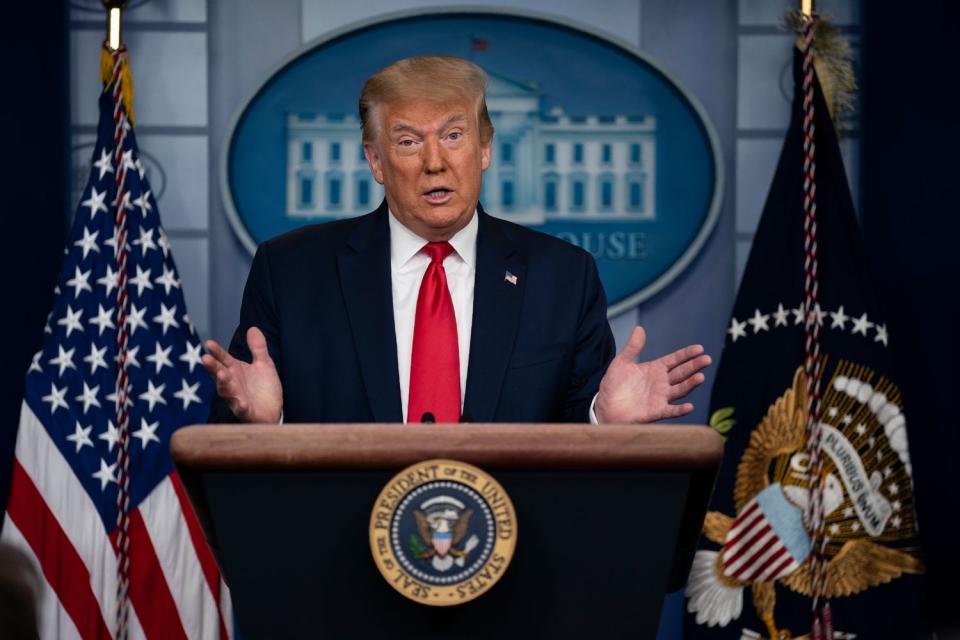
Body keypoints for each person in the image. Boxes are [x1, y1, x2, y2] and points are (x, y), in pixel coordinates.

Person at [203, 55, 710, 425]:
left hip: (514, 556)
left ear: (485, 148)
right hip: (343, 555)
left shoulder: (562, 276)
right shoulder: (291, 271)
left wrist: (602, 416)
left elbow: (573, 437)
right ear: (375, 161)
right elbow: (235, 429)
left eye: (453, 135)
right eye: (407, 141)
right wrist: (262, 423)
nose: (435, 161)